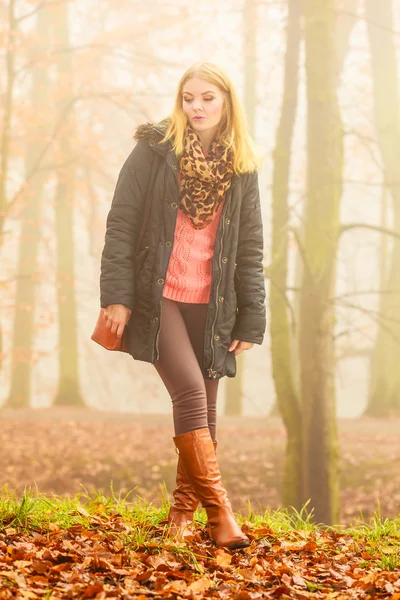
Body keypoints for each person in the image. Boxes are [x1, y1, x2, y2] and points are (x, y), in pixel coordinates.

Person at [99, 62, 266, 550]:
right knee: (192, 394)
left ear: (226, 102)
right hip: (159, 298)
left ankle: (179, 518)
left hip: (213, 305)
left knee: (206, 414)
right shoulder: (154, 152)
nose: (196, 106)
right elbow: (122, 223)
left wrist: (251, 317)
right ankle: (221, 515)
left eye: (207, 98)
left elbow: (250, 246)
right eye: (188, 97)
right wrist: (117, 296)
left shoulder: (243, 167)